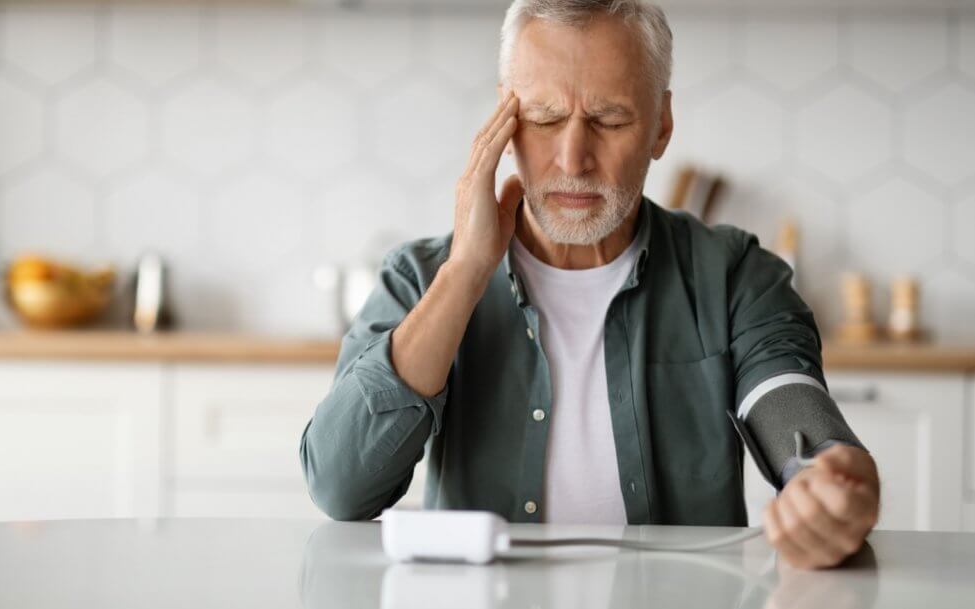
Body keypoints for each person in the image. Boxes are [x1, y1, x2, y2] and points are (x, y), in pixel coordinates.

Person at [300, 0, 880, 570]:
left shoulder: (732, 274)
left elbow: (790, 406)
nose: (574, 159)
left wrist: (833, 479)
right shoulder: (422, 278)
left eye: (609, 120)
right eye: (545, 119)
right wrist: (467, 272)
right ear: (504, 126)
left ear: (661, 126)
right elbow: (341, 486)